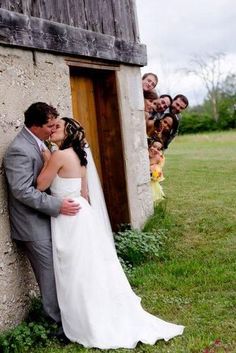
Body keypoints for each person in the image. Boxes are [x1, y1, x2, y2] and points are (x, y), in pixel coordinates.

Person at [36, 117, 184, 349]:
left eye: (57, 127)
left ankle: (82, 321)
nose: (52, 130)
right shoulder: (80, 156)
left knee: (74, 270)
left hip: (68, 216)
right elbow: (84, 194)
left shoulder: (58, 156)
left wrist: (46, 159)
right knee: (89, 268)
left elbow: (40, 186)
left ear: (68, 133)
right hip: (84, 215)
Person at [3, 103, 80, 332]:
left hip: (46, 221)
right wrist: (57, 205)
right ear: (34, 126)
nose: (53, 128)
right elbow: (22, 191)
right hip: (32, 226)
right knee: (48, 277)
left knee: (57, 272)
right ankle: (58, 324)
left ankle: (68, 317)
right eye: (49, 126)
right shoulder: (19, 149)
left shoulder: (40, 143)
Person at [148, 139, 165, 205]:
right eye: (154, 146)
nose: (155, 149)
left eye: (158, 149)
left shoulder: (157, 159)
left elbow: (157, 174)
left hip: (151, 183)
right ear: (149, 146)